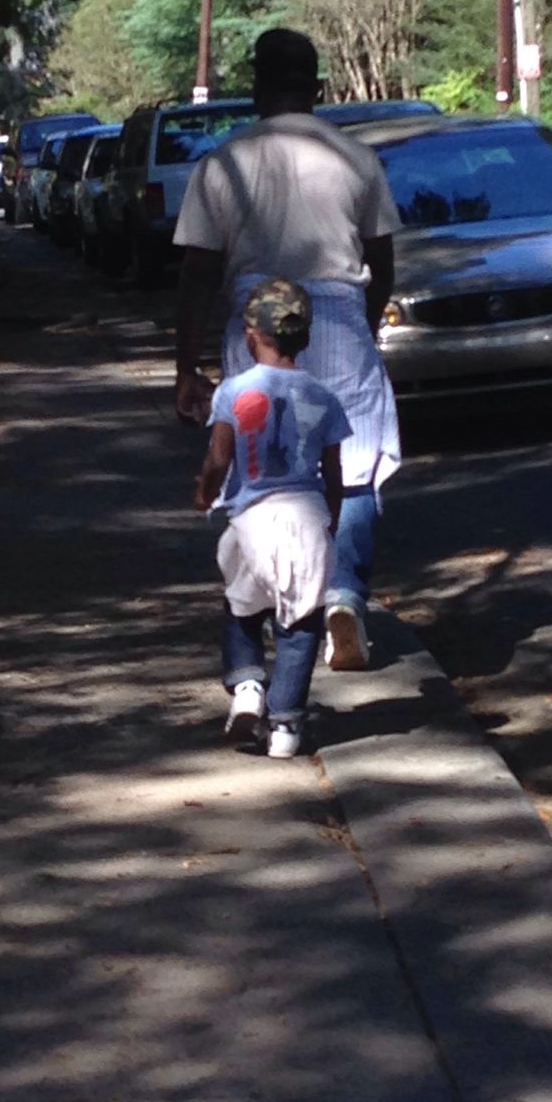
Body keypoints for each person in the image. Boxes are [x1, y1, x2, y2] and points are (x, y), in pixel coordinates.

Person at [175, 28, 401, 671]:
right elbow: (381, 260)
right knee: (352, 463)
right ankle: (344, 599)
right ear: (319, 88)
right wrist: (364, 322)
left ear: (254, 88)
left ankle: (271, 601)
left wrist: (186, 368)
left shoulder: (221, 163)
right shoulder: (356, 158)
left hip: (257, 324)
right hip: (337, 315)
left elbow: (195, 273)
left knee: (258, 462)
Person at [195, 277, 349, 759]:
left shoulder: (233, 392)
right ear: (304, 336)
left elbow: (219, 460)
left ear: (250, 334)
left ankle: (246, 689)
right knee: (300, 622)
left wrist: (204, 493)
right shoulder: (324, 397)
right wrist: (332, 521)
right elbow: (335, 474)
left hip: (249, 520)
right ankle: (285, 727)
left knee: (243, 608)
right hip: (304, 517)